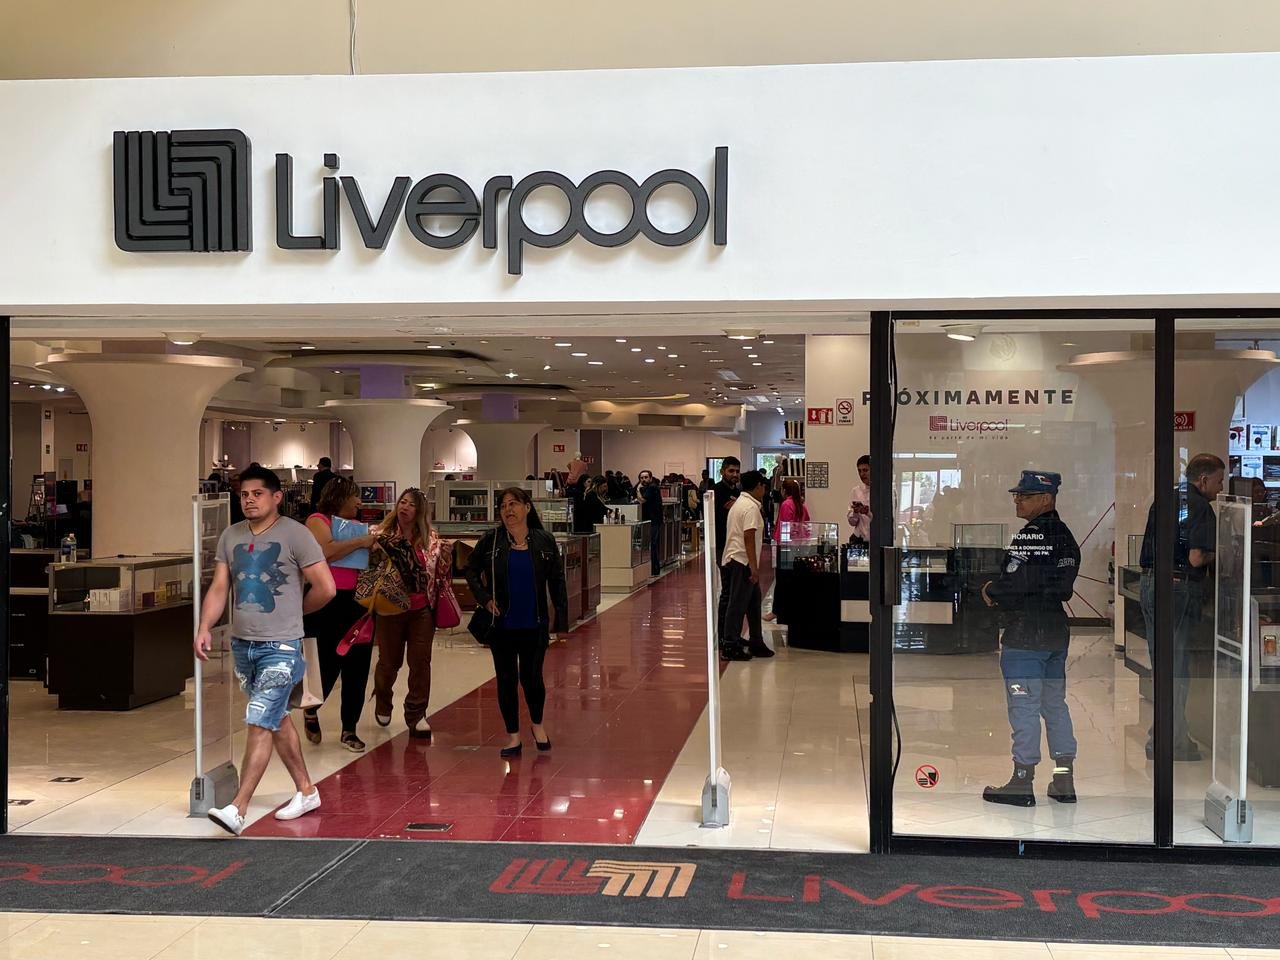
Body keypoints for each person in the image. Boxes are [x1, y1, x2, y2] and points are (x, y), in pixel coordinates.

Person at [196, 465, 336, 835]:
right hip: (244, 646)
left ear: (276, 497)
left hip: (282, 648)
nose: (249, 500)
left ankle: (238, 808)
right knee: (276, 718)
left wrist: (296, 613)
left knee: (259, 720)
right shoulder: (231, 535)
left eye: (257, 494)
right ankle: (307, 791)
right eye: (244, 494)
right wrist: (204, 626)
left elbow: (326, 587)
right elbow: (220, 587)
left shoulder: (296, 534)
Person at [979, 470, 1081, 807]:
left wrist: (990, 590)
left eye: (1025, 495)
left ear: (1046, 499)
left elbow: (1013, 585)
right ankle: (1064, 781)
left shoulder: (1030, 536)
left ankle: (1022, 782)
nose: (1017, 500)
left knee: (1023, 706)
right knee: (1055, 705)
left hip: (1025, 635)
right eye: (1017, 495)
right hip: (1055, 632)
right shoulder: (1066, 536)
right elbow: (1062, 586)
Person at [465, 487, 569, 756]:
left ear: (527, 508)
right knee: (506, 680)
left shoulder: (544, 541)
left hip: (534, 623)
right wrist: (484, 598)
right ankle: (513, 736)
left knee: (532, 678)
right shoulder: (491, 541)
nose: (508, 510)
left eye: (513, 504)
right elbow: (470, 570)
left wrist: (561, 622)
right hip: (502, 625)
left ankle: (537, 725)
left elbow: (557, 581)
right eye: (503, 506)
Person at [1138, 452, 1225, 762]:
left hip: (1151, 584)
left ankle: (1170, 736)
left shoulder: (1164, 498)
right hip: (1178, 589)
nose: (1221, 488)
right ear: (1203, 479)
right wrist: (1222, 551)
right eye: (1219, 481)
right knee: (1176, 666)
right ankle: (1168, 741)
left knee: (1162, 663)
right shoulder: (1201, 507)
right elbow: (1196, 558)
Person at [301, 476, 379, 751]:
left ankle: (350, 728)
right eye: (354, 496)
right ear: (340, 497)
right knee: (325, 663)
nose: (359, 501)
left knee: (358, 665)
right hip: (326, 601)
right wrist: (361, 542)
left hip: (358, 602)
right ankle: (312, 708)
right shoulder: (317, 521)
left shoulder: (358, 526)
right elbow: (327, 552)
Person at [371, 488, 453, 740]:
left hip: (421, 610)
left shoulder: (431, 539)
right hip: (390, 608)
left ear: (419, 512)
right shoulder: (381, 535)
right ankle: (383, 700)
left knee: (420, 662)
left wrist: (446, 558)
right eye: (402, 502)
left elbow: (439, 575)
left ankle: (416, 714)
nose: (405, 507)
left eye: (411, 505)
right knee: (389, 662)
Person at [721, 470, 772, 661]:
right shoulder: (750, 507)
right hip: (741, 561)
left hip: (738, 559)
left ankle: (756, 641)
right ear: (758, 486)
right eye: (763, 486)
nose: (765, 490)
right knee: (737, 604)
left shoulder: (740, 503)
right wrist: (753, 566)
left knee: (753, 602)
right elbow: (748, 537)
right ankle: (730, 644)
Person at [713, 456, 742, 648]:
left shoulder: (737, 491)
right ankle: (724, 636)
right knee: (727, 593)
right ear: (723, 471)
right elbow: (732, 509)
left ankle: (733, 633)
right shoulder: (718, 490)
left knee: (736, 593)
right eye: (731, 471)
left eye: (737, 471)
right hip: (722, 546)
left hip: (735, 546)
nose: (734, 475)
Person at [638, 468, 664, 576]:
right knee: (650, 545)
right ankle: (652, 568)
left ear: (650, 478)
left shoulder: (652, 487)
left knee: (653, 545)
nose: (643, 479)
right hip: (648, 520)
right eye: (641, 478)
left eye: (646, 477)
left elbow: (642, 500)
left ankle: (654, 569)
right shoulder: (646, 488)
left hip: (654, 520)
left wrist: (638, 490)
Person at [847, 454, 872, 544]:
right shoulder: (856, 491)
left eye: (865, 470)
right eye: (859, 471)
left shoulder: (884, 492)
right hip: (859, 539)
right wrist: (855, 512)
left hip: (877, 540)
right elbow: (852, 522)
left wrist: (867, 512)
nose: (862, 474)